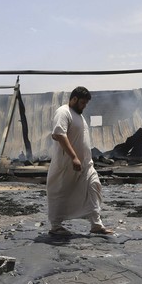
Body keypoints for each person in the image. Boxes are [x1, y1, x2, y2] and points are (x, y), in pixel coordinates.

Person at [46, 86, 114, 236]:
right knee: (61, 191)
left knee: (94, 186)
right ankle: (56, 225)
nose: (84, 106)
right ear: (74, 99)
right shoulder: (63, 112)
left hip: (85, 165)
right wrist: (74, 157)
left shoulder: (79, 115)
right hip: (67, 164)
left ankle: (96, 224)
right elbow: (59, 134)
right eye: (82, 103)